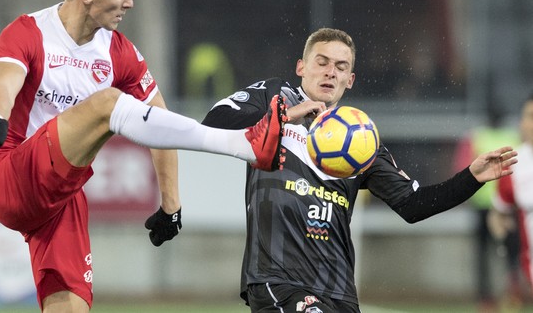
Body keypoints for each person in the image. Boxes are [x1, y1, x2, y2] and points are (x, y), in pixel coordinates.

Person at [0, 0, 286, 313]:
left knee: (70, 306)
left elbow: (160, 122)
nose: (130, 2)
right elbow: (3, 83)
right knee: (106, 104)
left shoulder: (120, 53)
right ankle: (243, 144)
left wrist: (171, 205)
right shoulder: (28, 32)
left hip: (60, 197)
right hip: (10, 173)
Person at [201, 27, 518, 313]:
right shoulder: (273, 96)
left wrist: (472, 177)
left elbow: (413, 205)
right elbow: (213, 124)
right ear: (301, 67)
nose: (330, 73)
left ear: (350, 79)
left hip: (339, 293)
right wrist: (284, 116)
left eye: (341, 67)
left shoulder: (360, 139)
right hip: (278, 281)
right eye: (322, 62)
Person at [453, 107, 521, 312]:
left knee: (484, 254)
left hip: (485, 205)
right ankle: (511, 294)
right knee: (511, 252)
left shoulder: (476, 136)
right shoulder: (513, 136)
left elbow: (463, 167)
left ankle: (487, 297)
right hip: (505, 205)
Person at [489, 93, 533, 305]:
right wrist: (502, 236)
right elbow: (499, 213)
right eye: (527, 116)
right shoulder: (513, 165)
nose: (527, 123)